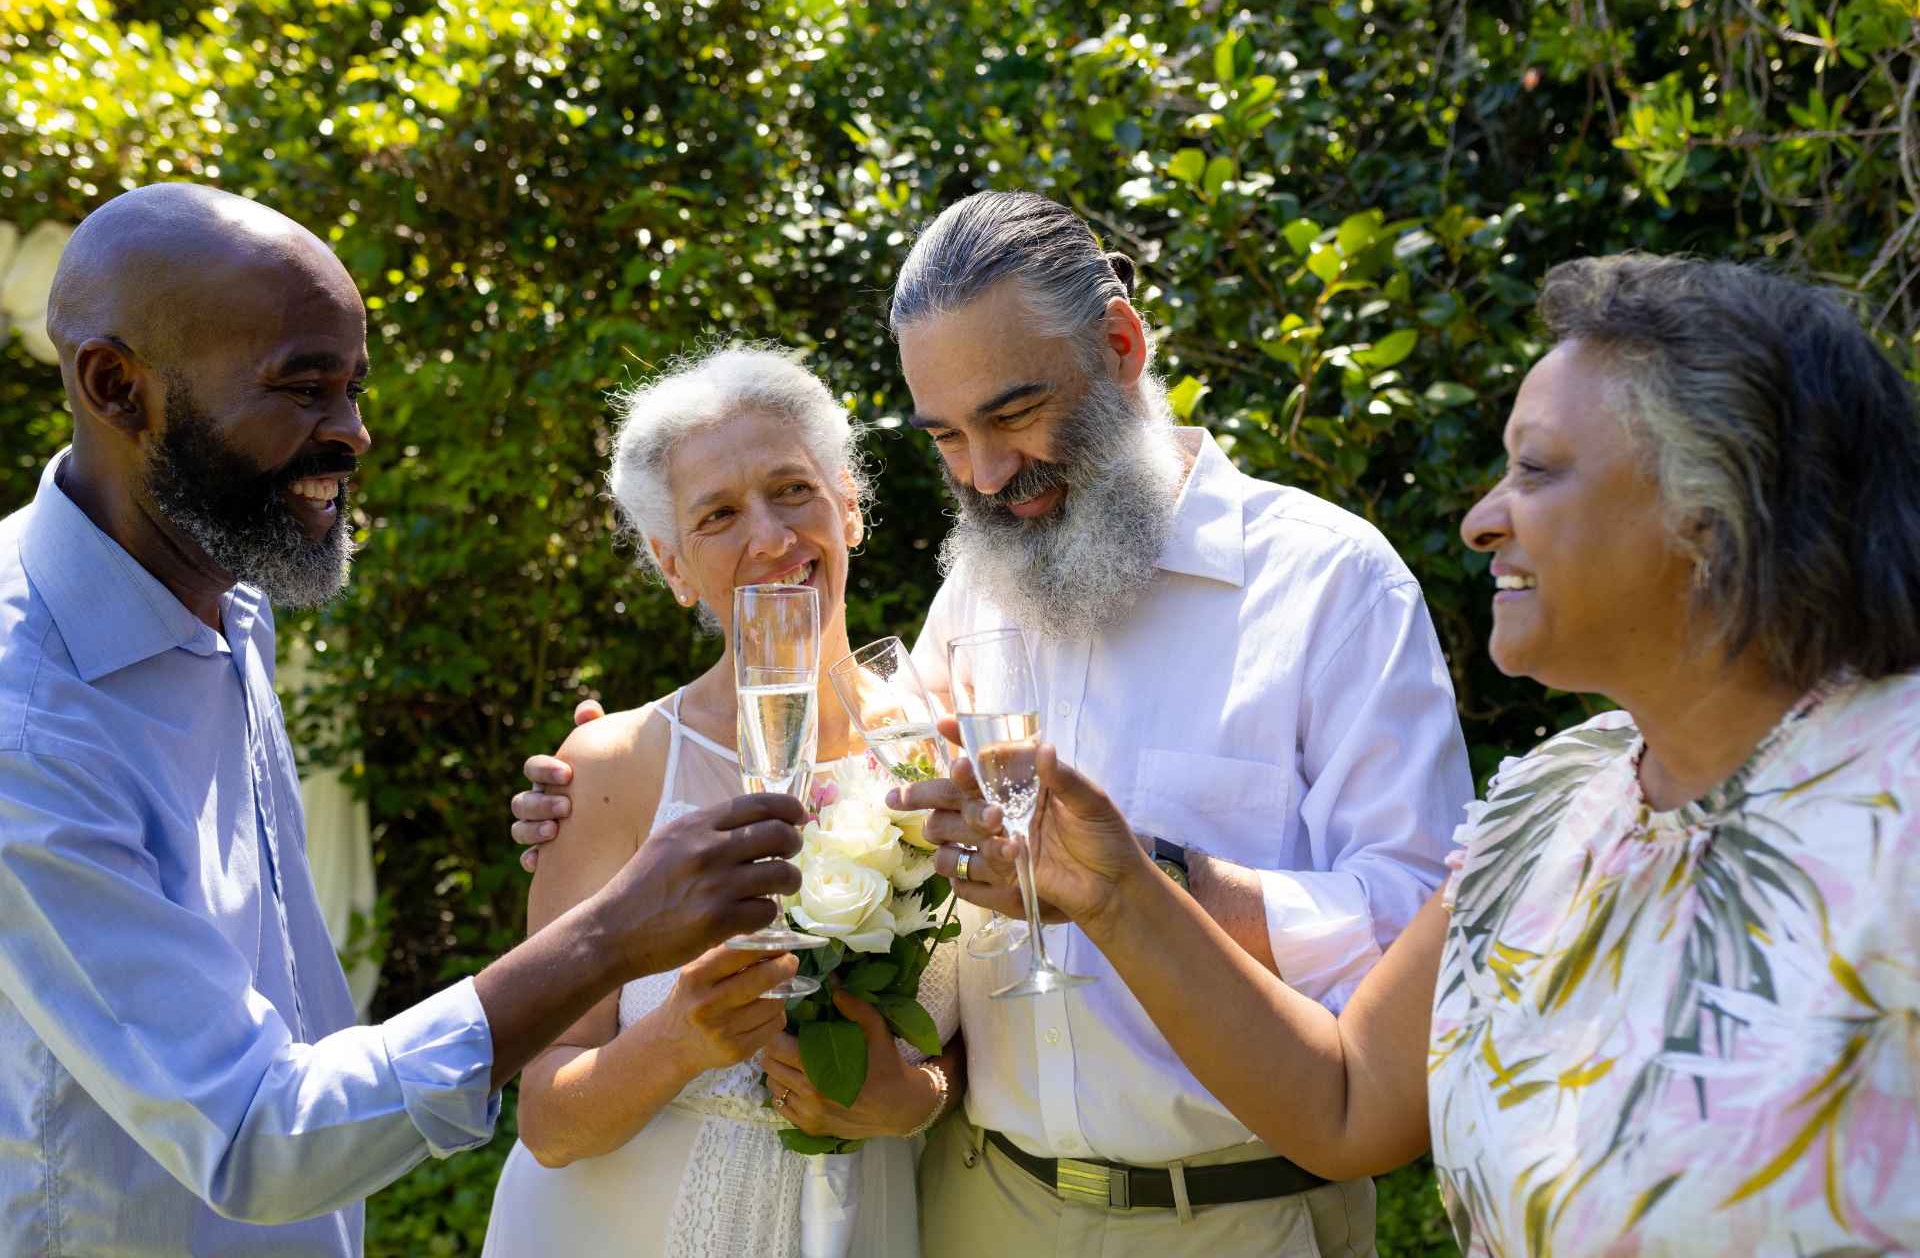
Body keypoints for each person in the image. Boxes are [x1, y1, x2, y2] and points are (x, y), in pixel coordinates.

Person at [514, 191, 1474, 1255]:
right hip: (977, 1206)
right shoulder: (975, 595)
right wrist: (594, 788)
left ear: (1119, 346)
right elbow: (902, 860)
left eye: (1011, 416)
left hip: (1239, 1211)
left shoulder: (1332, 587)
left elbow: (1425, 930)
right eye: (946, 437)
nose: (983, 473)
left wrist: (1155, 878)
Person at [949, 255, 1920, 1254]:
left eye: (1536, 470)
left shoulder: (1902, 796)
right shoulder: (1550, 804)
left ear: (1717, 507)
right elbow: (1345, 1102)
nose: (1480, 518)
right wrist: (1117, 889)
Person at [0, 183, 807, 1255]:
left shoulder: (225, 589)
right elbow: (251, 1132)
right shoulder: (27, 713)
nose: (355, 433)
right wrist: (613, 929)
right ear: (117, 385)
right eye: (302, 388)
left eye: (354, 385)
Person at [482, 344, 962, 1258]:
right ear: (672, 566)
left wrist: (916, 1098)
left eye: (793, 490)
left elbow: (992, 1038)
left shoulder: (940, 751)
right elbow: (545, 1119)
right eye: (719, 516)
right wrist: (672, 1042)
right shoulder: (615, 768)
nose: (772, 538)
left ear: (850, 506)